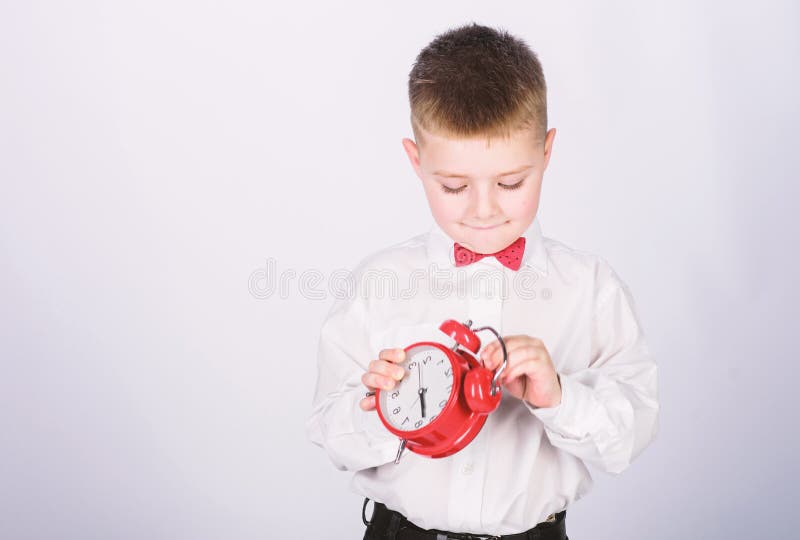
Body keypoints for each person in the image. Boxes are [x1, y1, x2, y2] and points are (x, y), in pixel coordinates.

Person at [306, 21, 659, 540]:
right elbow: (328, 431)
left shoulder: (590, 289)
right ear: (416, 161)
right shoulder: (379, 282)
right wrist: (384, 412)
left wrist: (557, 395)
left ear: (546, 153)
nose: (484, 210)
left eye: (511, 182)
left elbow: (629, 436)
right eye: (453, 186)